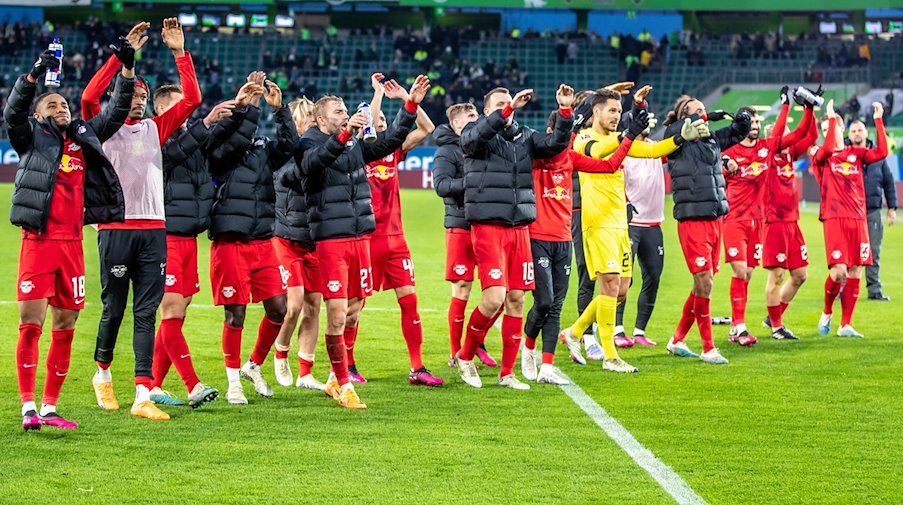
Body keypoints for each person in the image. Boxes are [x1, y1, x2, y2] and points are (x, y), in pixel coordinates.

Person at [7, 44, 134, 430]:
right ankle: (28, 406)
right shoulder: (30, 137)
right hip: (39, 242)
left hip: (73, 247)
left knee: (65, 326)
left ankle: (49, 407)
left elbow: (114, 113)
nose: (62, 108)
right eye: (54, 105)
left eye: (64, 105)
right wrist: (32, 77)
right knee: (32, 323)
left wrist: (126, 70)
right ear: (39, 115)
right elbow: (13, 112)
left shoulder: (82, 137)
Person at [82, 20, 201, 421]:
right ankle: (102, 374)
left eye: (142, 94)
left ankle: (141, 393)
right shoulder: (100, 128)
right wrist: (122, 58)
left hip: (153, 230)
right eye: (130, 92)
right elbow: (87, 97)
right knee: (114, 309)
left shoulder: (155, 127)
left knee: (146, 312)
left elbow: (193, 99)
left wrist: (179, 52)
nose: (136, 98)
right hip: (115, 229)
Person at [292, 75, 428, 409]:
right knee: (336, 315)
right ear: (322, 119)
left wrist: (410, 105)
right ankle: (343, 385)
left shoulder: (354, 145)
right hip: (332, 241)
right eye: (338, 111)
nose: (345, 113)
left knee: (352, 314)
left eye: (344, 110)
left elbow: (389, 142)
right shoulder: (309, 143)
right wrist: (344, 134)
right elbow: (314, 163)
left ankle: (333, 378)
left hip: (360, 238)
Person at [561, 86, 697, 372]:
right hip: (597, 223)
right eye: (611, 110)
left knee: (621, 290)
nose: (616, 116)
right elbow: (598, 153)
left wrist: (680, 137)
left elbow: (652, 150)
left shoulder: (616, 138)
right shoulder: (585, 138)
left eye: (619, 112)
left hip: (621, 222)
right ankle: (611, 357)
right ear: (595, 112)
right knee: (609, 285)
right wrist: (627, 134)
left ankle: (574, 333)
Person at [455, 84, 575, 390]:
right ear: (486, 111)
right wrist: (505, 113)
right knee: (494, 297)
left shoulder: (525, 136)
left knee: (517, 300)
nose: (507, 107)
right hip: (488, 226)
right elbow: (471, 140)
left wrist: (564, 112)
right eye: (499, 104)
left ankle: (507, 373)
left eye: (509, 103)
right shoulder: (475, 132)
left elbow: (556, 145)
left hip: (520, 227)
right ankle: (466, 356)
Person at [522, 105, 648, 383]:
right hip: (537, 237)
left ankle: (547, 367)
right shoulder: (533, 159)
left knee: (555, 305)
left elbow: (611, 166)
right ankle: (529, 346)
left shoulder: (571, 159)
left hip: (564, 238)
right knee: (542, 303)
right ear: (551, 134)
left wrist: (630, 136)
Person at [148, 92, 243, 408]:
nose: (186, 108)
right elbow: (175, 153)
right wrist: (205, 121)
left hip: (189, 239)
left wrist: (243, 104)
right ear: (162, 109)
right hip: (166, 239)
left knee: (178, 314)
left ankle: (154, 385)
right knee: (172, 312)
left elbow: (217, 133)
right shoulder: (154, 135)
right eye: (179, 103)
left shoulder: (191, 138)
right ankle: (193, 385)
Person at [206, 72, 294, 405]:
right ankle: (233, 382)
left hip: (261, 241)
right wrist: (247, 107)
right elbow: (234, 136)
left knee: (278, 308)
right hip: (230, 242)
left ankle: (253, 365)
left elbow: (289, 146)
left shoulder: (260, 150)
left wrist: (280, 111)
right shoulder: (215, 153)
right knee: (236, 313)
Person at [361, 76, 444, 387]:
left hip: (396, 240)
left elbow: (426, 129)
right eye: (377, 119)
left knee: (409, 300)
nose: (381, 123)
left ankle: (418, 367)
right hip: (366, 239)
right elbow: (370, 121)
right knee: (355, 306)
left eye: (384, 120)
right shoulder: (358, 152)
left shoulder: (394, 152)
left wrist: (408, 100)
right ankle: (349, 366)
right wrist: (377, 95)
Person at [662, 95, 751, 364]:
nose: (704, 113)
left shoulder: (711, 140)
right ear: (683, 116)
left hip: (715, 217)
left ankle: (677, 340)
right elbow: (676, 129)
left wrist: (743, 120)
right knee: (705, 281)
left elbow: (737, 133)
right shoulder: (675, 138)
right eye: (697, 110)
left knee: (703, 283)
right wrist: (704, 116)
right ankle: (708, 347)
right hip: (692, 219)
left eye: (704, 109)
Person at [721, 87, 814, 346]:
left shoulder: (766, 148)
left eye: (758, 121)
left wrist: (805, 108)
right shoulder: (727, 152)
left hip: (758, 222)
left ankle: (736, 328)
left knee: (748, 274)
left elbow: (799, 134)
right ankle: (739, 326)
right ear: (740, 124)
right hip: (735, 220)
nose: (755, 125)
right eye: (750, 120)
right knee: (740, 271)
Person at [814, 100, 887, 338]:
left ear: (841, 130)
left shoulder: (856, 154)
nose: (829, 132)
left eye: (833, 128)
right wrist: (830, 116)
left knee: (855, 271)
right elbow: (825, 149)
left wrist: (878, 119)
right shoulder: (822, 157)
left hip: (858, 219)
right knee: (839, 273)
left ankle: (846, 325)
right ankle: (827, 311)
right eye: (825, 130)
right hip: (835, 218)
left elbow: (882, 152)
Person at [433, 103, 498, 369]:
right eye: (471, 117)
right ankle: (455, 351)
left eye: (477, 116)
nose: (477, 119)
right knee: (462, 289)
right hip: (460, 226)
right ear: (458, 124)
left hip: (489, 225)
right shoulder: (446, 152)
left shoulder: (487, 146)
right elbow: (442, 185)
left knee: (500, 291)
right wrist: (475, 181)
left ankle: (476, 341)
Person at [271, 97, 327, 391]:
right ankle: (280, 352)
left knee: (313, 306)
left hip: (313, 239)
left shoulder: (321, 153)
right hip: (285, 238)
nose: (313, 123)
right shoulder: (284, 154)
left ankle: (306, 371)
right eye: (307, 118)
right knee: (292, 305)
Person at [761, 88, 819, 340]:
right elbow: (780, 134)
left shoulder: (789, 156)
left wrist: (810, 107)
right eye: (783, 133)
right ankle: (776, 327)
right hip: (774, 221)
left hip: (792, 223)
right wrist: (785, 107)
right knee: (778, 274)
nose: (788, 136)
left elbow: (810, 134)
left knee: (800, 275)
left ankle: (773, 317)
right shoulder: (767, 153)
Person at [613, 110, 666, 348]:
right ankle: (617, 328)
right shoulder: (623, 150)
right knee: (625, 279)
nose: (648, 124)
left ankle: (640, 331)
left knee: (653, 277)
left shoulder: (656, 147)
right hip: (630, 224)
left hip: (654, 223)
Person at [847, 121, 897, 301]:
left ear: (866, 133)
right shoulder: (843, 154)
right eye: (853, 131)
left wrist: (892, 208)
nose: (857, 133)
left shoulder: (878, 157)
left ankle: (874, 290)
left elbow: (889, 183)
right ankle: (843, 289)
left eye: (860, 130)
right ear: (849, 134)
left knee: (873, 252)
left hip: (872, 210)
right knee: (848, 253)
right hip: (850, 212)